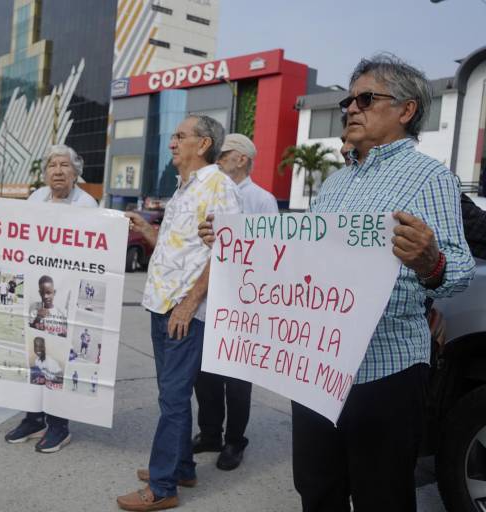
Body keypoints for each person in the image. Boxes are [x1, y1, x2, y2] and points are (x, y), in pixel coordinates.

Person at [198, 54, 475, 512]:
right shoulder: (335, 183)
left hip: (385, 368)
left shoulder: (430, 178)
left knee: (381, 497)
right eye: (348, 101)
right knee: (316, 488)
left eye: (366, 99)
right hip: (316, 368)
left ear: (406, 110)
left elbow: (459, 272)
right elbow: (302, 259)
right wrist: (233, 243)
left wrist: (432, 262)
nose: (350, 109)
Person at [116, 115, 241, 511]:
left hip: (185, 310)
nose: (172, 142)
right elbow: (178, 249)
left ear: (203, 144)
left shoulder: (219, 185)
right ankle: (182, 467)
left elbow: (228, 252)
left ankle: (163, 486)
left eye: (180, 136)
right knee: (172, 396)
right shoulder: (184, 187)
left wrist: (189, 303)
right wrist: (146, 229)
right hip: (162, 304)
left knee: (172, 397)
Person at [192, 133, 278, 472]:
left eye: (223, 153)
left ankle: (234, 441)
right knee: (205, 375)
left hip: (243, 303)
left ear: (241, 158)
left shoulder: (261, 200)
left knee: (237, 379)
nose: (217, 159)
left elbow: (271, 251)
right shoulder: (211, 193)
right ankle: (210, 433)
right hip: (208, 300)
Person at [4, 144, 97, 453]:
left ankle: (59, 425)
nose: (58, 171)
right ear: (45, 173)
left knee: (59, 358)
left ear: (75, 172)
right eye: (52, 165)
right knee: (33, 354)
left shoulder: (86, 203)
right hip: (35, 287)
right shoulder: (36, 198)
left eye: (64, 165)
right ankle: (34, 418)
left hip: (66, 292)